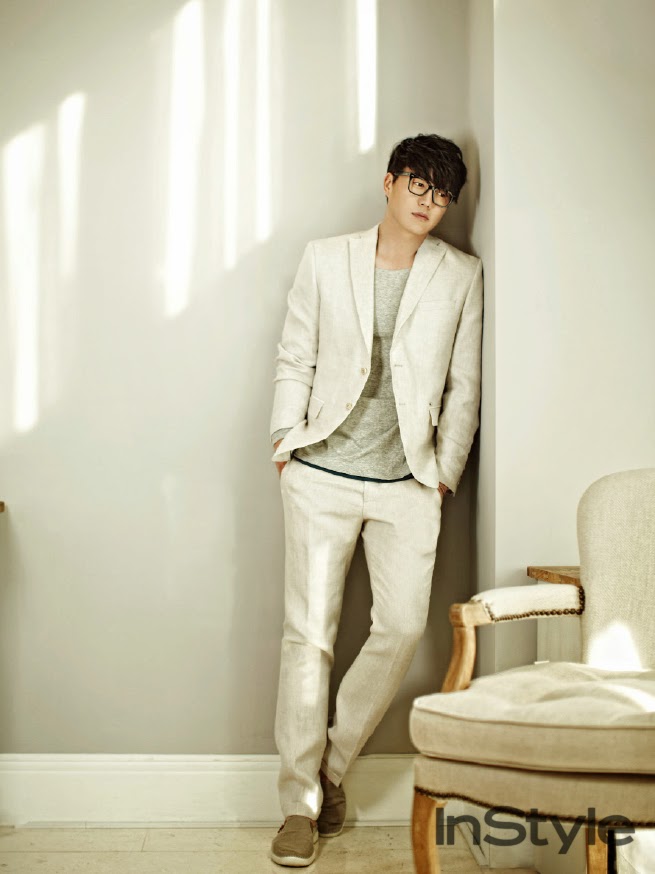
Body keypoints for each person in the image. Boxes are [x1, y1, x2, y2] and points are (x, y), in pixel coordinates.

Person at [268, 133, 483, 867]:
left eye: (442, 194)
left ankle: (331, 767)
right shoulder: (326, 258)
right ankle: (298, 805)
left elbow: (464, 384)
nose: (429, 202)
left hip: (408, 483)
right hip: (320, 471)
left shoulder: (461, 274)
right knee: (308, 638)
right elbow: (296, 352)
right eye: (418, 185)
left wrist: (443, 471)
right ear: (389, 183)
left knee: (400, 627)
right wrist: (285, 442)